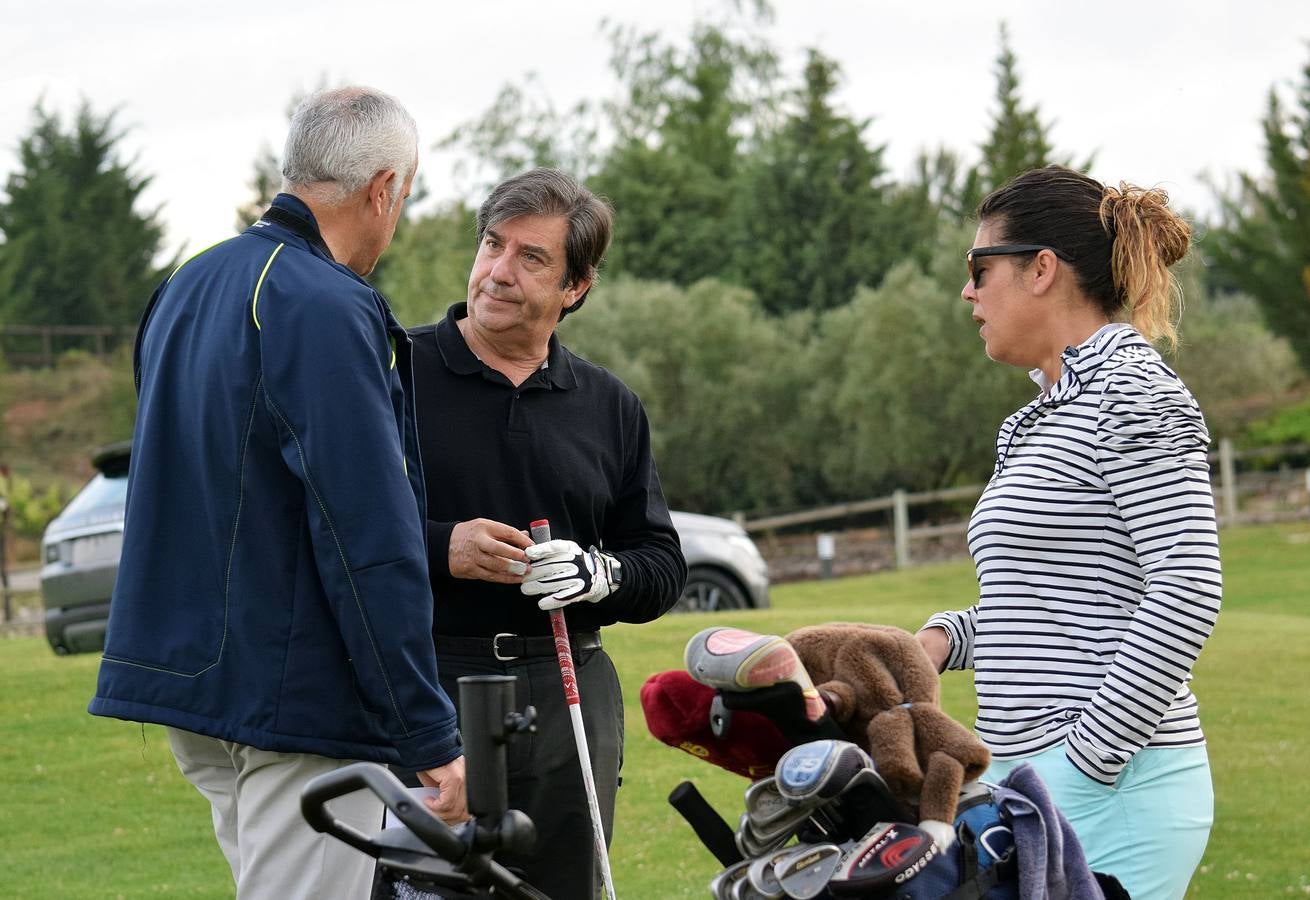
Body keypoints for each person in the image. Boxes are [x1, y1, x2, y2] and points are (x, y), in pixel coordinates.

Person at [89, 87, 466, 899]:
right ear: (383, 190)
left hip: (201, 687)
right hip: (296, 695)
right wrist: (426, 727)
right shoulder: (324, 305)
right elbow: (366, 532)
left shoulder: (185, 286)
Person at [916, 165, 1222, 900]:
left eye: (979, 268)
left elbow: (1187, 588)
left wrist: (1087, 763)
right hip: (1037, 779)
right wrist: (941, 639)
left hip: (1113, 787)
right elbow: (1050, 604)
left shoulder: (1136, 391)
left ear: (1042, 270)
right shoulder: (1031, 422)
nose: (968, 292)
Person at [405, 167, 687, 898]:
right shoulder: (396, 374)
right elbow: (336, 533)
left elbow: (660, 563)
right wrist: (444, 546)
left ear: (576, 287)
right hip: (431, 681)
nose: (498, 272)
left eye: (531, 258)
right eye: (492, 245)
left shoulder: (609, 405)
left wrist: (601, 574)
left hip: (570, 691)